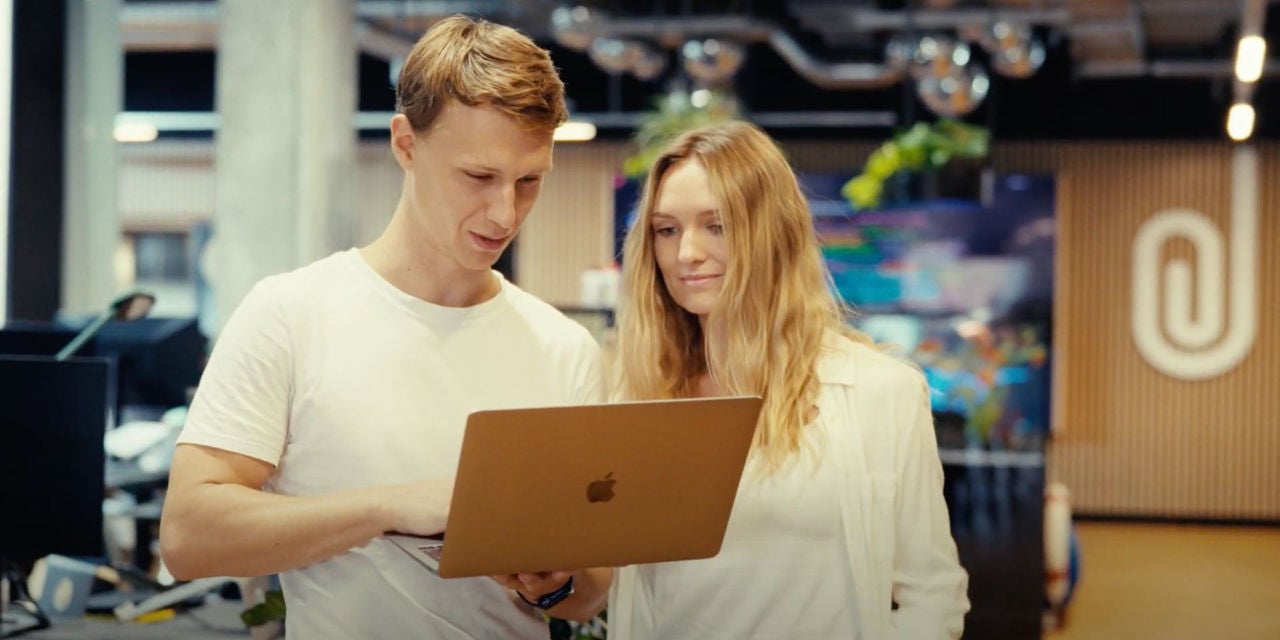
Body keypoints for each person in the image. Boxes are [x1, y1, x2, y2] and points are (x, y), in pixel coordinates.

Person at [159, 15, 610, 638]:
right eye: (478, 177)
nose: (505, 213)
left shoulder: (564, 349)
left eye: (529, 181)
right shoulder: (291, 314)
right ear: (406, 144)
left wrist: (555, 580)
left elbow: (587, 595)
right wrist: (388, 507)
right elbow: (188, 536)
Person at [605, 121, 970, 639]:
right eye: (667, 229)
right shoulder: (635, 391)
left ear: (771, 232)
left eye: (717, 225)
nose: (686, 253)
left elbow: (931, 593)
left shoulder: (879, 391)